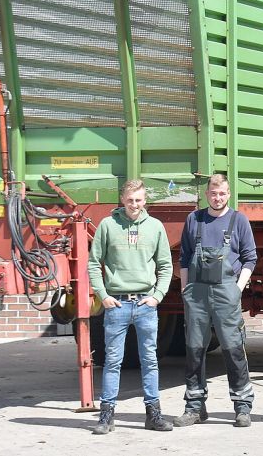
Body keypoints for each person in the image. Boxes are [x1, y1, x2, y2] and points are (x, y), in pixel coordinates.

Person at [87, 179, 174, 435]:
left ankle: (154, 415)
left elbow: (166, 265)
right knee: (113, 361)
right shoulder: (107, 225)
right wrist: (102, 295)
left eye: (138, 200)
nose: (134, 205)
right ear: (122, 200)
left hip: (146, 303)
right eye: (130, 200)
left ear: (145, 200)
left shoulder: (155, 227)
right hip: (117, 304)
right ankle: (106, 416)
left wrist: (157, 295)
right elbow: (94, 263)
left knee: (150, 361)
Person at [174, 174, 258, 428]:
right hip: (196, 294)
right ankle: (195, 407)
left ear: (228, 194)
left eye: (222, 193)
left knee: (233, 349)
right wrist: (185, 290)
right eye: (213, 193)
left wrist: (237, 289)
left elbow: (249, 258)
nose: (217, 197)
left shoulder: (238, 220)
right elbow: (185, 258)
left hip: (226, 293)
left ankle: (242, 406)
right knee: (194, 350)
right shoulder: (194, 219)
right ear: (207, 194)